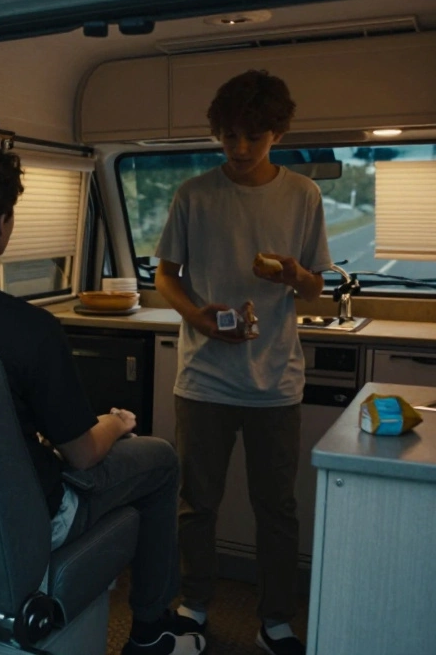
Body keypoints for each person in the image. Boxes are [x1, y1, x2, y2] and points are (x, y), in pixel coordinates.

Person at [0, 141, 205, 655]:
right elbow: (83, 454)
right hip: (27, 516)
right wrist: (114, 422)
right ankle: (150, 629)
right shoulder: (29, 329)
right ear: (2, 226)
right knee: (159, 460)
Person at [153, 70, 332, 655]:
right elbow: (165, 275)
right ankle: (195, 606)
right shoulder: (194, 194)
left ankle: (276, 619)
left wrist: (292, 272)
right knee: (196, 503)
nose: (239, 148)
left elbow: (314, 290)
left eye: (252, 137)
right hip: (203, 378)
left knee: (276, 508)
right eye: (228, 136)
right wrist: (199, 317)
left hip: (275, 382)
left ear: (276, 133)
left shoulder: (303, 194)